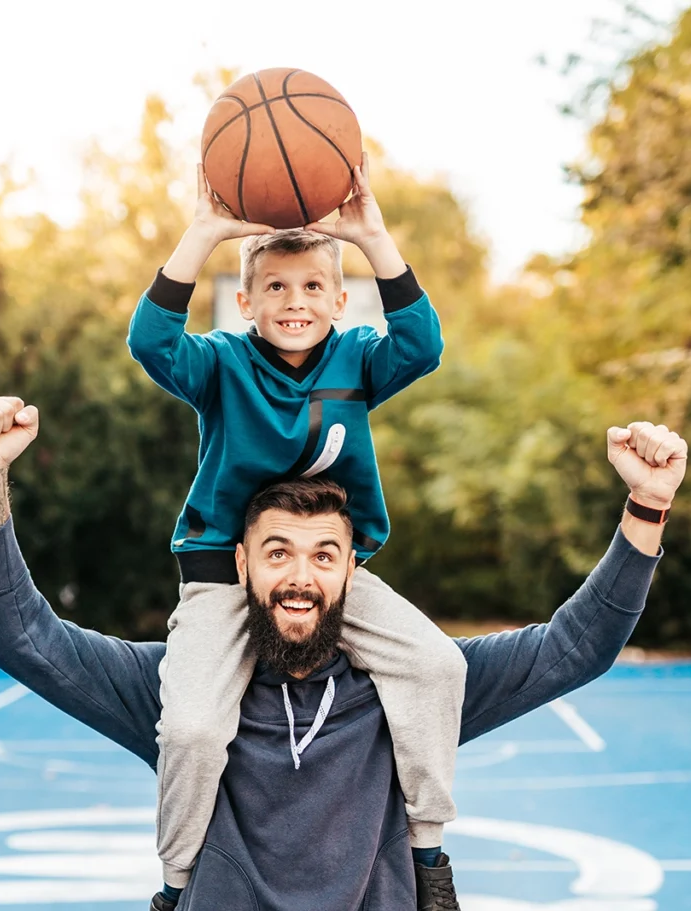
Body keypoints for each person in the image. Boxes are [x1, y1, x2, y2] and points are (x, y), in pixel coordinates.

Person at [0, 395, 687, 911]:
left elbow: (576, 647)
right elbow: (18, 636)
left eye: (323, 555)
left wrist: (647, 506)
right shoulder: (183, 684)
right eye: (278, 552)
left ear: (351, 571)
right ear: (242, 564)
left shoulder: (408, 691)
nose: (300, 576)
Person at [125, 154, 469, 907]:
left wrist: (373, 235)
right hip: (223, 576)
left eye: (313, 286)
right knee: (188, 728)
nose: (295, 300)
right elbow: (150, 344)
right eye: (275, 286)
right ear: (243, 299)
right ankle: (176, 886)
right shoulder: (220, 364)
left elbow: (424, 347)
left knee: (439, 666)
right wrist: (205, 230)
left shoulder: (355, 358)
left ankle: (429, 857)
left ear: (341, 299)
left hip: (328, 575)